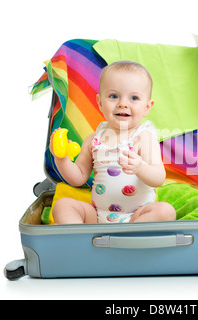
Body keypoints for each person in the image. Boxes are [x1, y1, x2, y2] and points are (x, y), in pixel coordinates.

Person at [50, 60, 176, 224]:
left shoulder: (143, 138)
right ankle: (83, 242)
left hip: (137, 217)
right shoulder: (93, 140)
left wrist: (140, 167)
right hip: (98, 215)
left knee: (165, 211)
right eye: (114, 96)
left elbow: (158, 178)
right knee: (63, 205)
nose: (123, 104)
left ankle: (126, 239)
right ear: (100, 102)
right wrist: (61, 159)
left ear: (147, 107)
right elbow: (78, 177)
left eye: (134, 98)